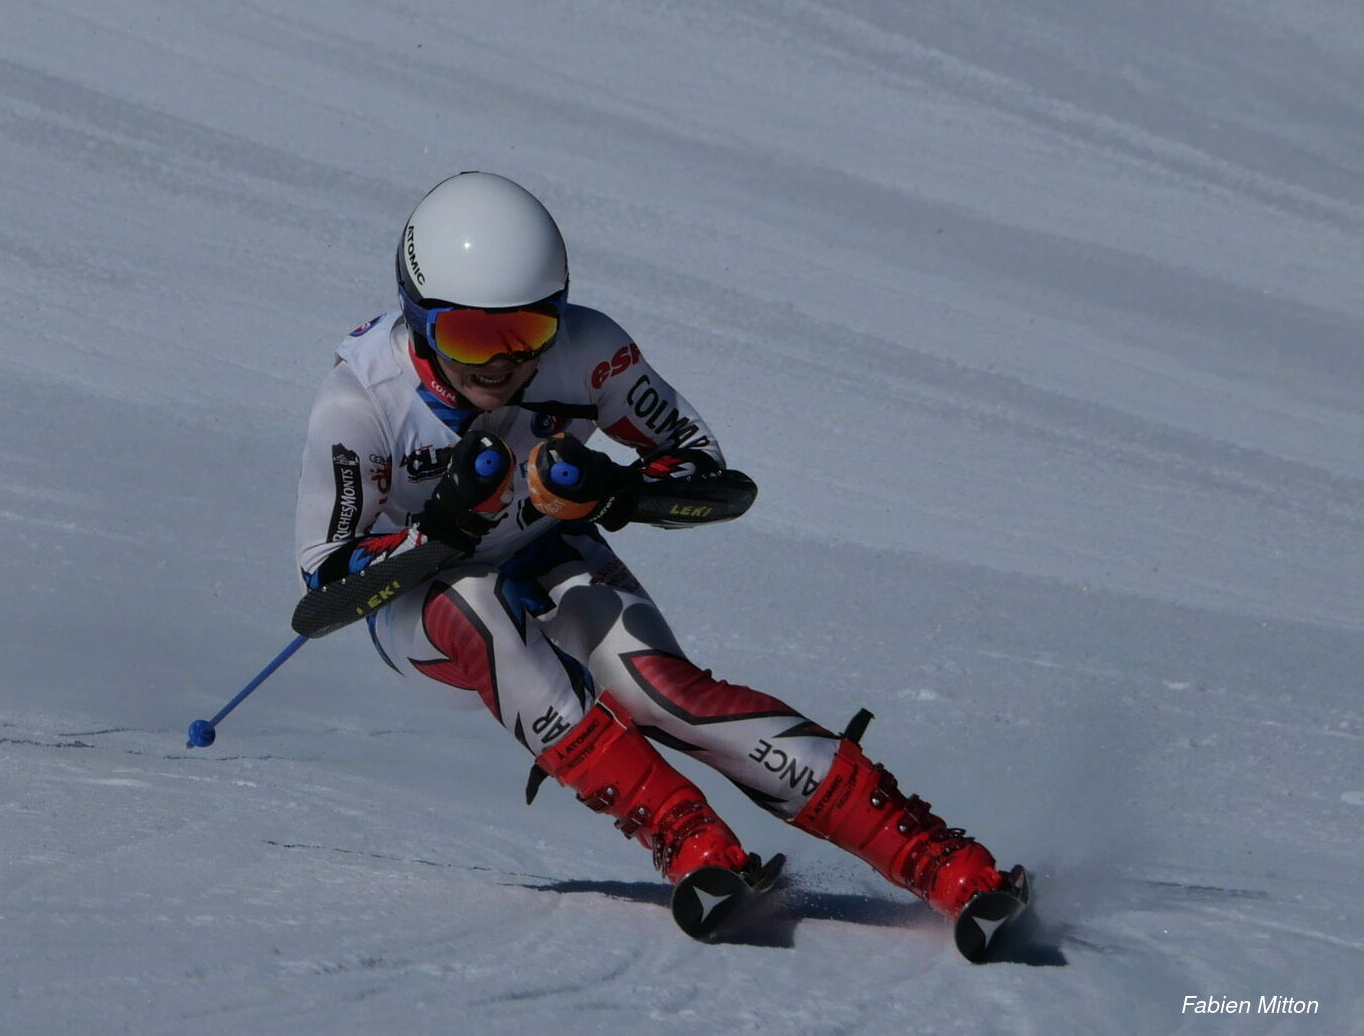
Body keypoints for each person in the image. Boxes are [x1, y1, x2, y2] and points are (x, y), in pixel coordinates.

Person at [292, 171, 1022, 939]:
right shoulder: (360, 401)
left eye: (529, 332)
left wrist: (615, 491)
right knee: (476, 607)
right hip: (419, 598)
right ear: (418, 318)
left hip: (543, 544)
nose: (501, 364)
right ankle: (685, 836)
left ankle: (939, 858)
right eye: (471, 337)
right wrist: (439, 534)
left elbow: (717, 482)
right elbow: (322, 595)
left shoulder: (588, 349)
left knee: (657, 691)